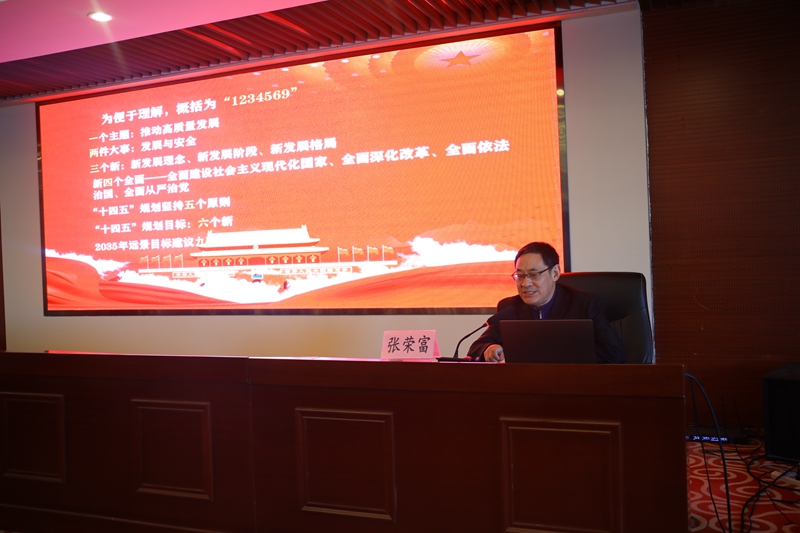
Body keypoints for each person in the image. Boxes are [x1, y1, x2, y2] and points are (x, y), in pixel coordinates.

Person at [466, 242, 625, 364]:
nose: (525, 283)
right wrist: (489, 348)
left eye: (534, 275)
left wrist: (553, 356)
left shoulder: (584, 304)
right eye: (520, 276)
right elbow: (476, 348)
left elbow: (614, 353)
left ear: (555, 273)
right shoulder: (509, 308)